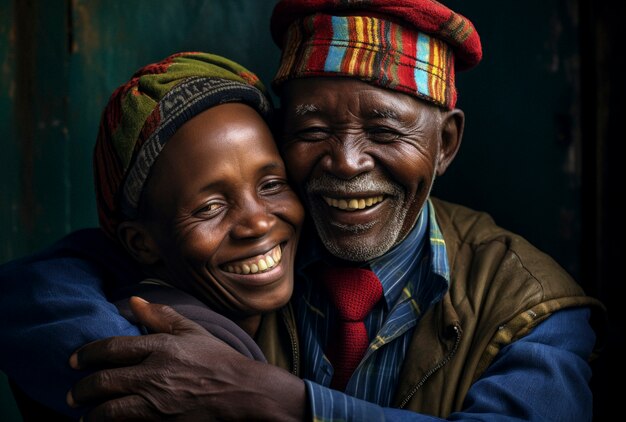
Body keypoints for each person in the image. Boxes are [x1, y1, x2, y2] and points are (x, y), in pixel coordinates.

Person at [0, 0, 606, 421]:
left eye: (384, 130)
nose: (344, 162)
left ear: (445, 144)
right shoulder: (257, 244)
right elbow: (40, 284)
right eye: (312, 128)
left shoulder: (531, 307)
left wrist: (273, 400)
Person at [0, 51, 306, 420]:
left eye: (272, 184)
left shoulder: (316, 287)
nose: (257, 223)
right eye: (209, 207)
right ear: (140, 243)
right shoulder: (151, 368)